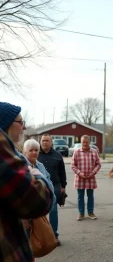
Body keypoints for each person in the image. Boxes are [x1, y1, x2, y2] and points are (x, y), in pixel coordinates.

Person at [0, 102, 54, 262]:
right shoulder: (4, 154)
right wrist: (35, 174)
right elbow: (39, 201)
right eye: (20, 122)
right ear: (6, 124)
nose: (24, 127)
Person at [38, 134, 67, 246]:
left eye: (47, 141)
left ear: (51, 142)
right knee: (39, 213)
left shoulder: (58, 155)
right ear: (40, 142)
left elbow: (62, 172)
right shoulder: (36, 154)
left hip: (54, 186)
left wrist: (63, 186)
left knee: (53, 211)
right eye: (43, 140)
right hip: (39, 188)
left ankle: (54, 236)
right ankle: (40, 237)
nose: (45, 142)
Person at [23, 139, 56, 234]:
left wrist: (49, 203)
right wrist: (22, 218)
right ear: (25, 152)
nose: (34, 152)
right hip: (25, 212)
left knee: (39, 241)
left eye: (36, 150)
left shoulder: (40, 166)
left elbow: (49, 184)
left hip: (39, 211)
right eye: (31, 150)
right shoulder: (21, 167)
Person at [71, 135, 101, 221]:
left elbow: (98, 164)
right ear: (81, 142)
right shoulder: (76, 152)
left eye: (86, 142)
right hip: (80, 179)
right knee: (80, 196)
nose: (85, 144)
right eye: (83, 142)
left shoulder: (94, 152)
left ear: (89, 142)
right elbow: (73, 165)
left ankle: (91, 212)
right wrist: (80, 173)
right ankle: (81, 213)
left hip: (91, 178)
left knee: (90, 196)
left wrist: (93, 173)